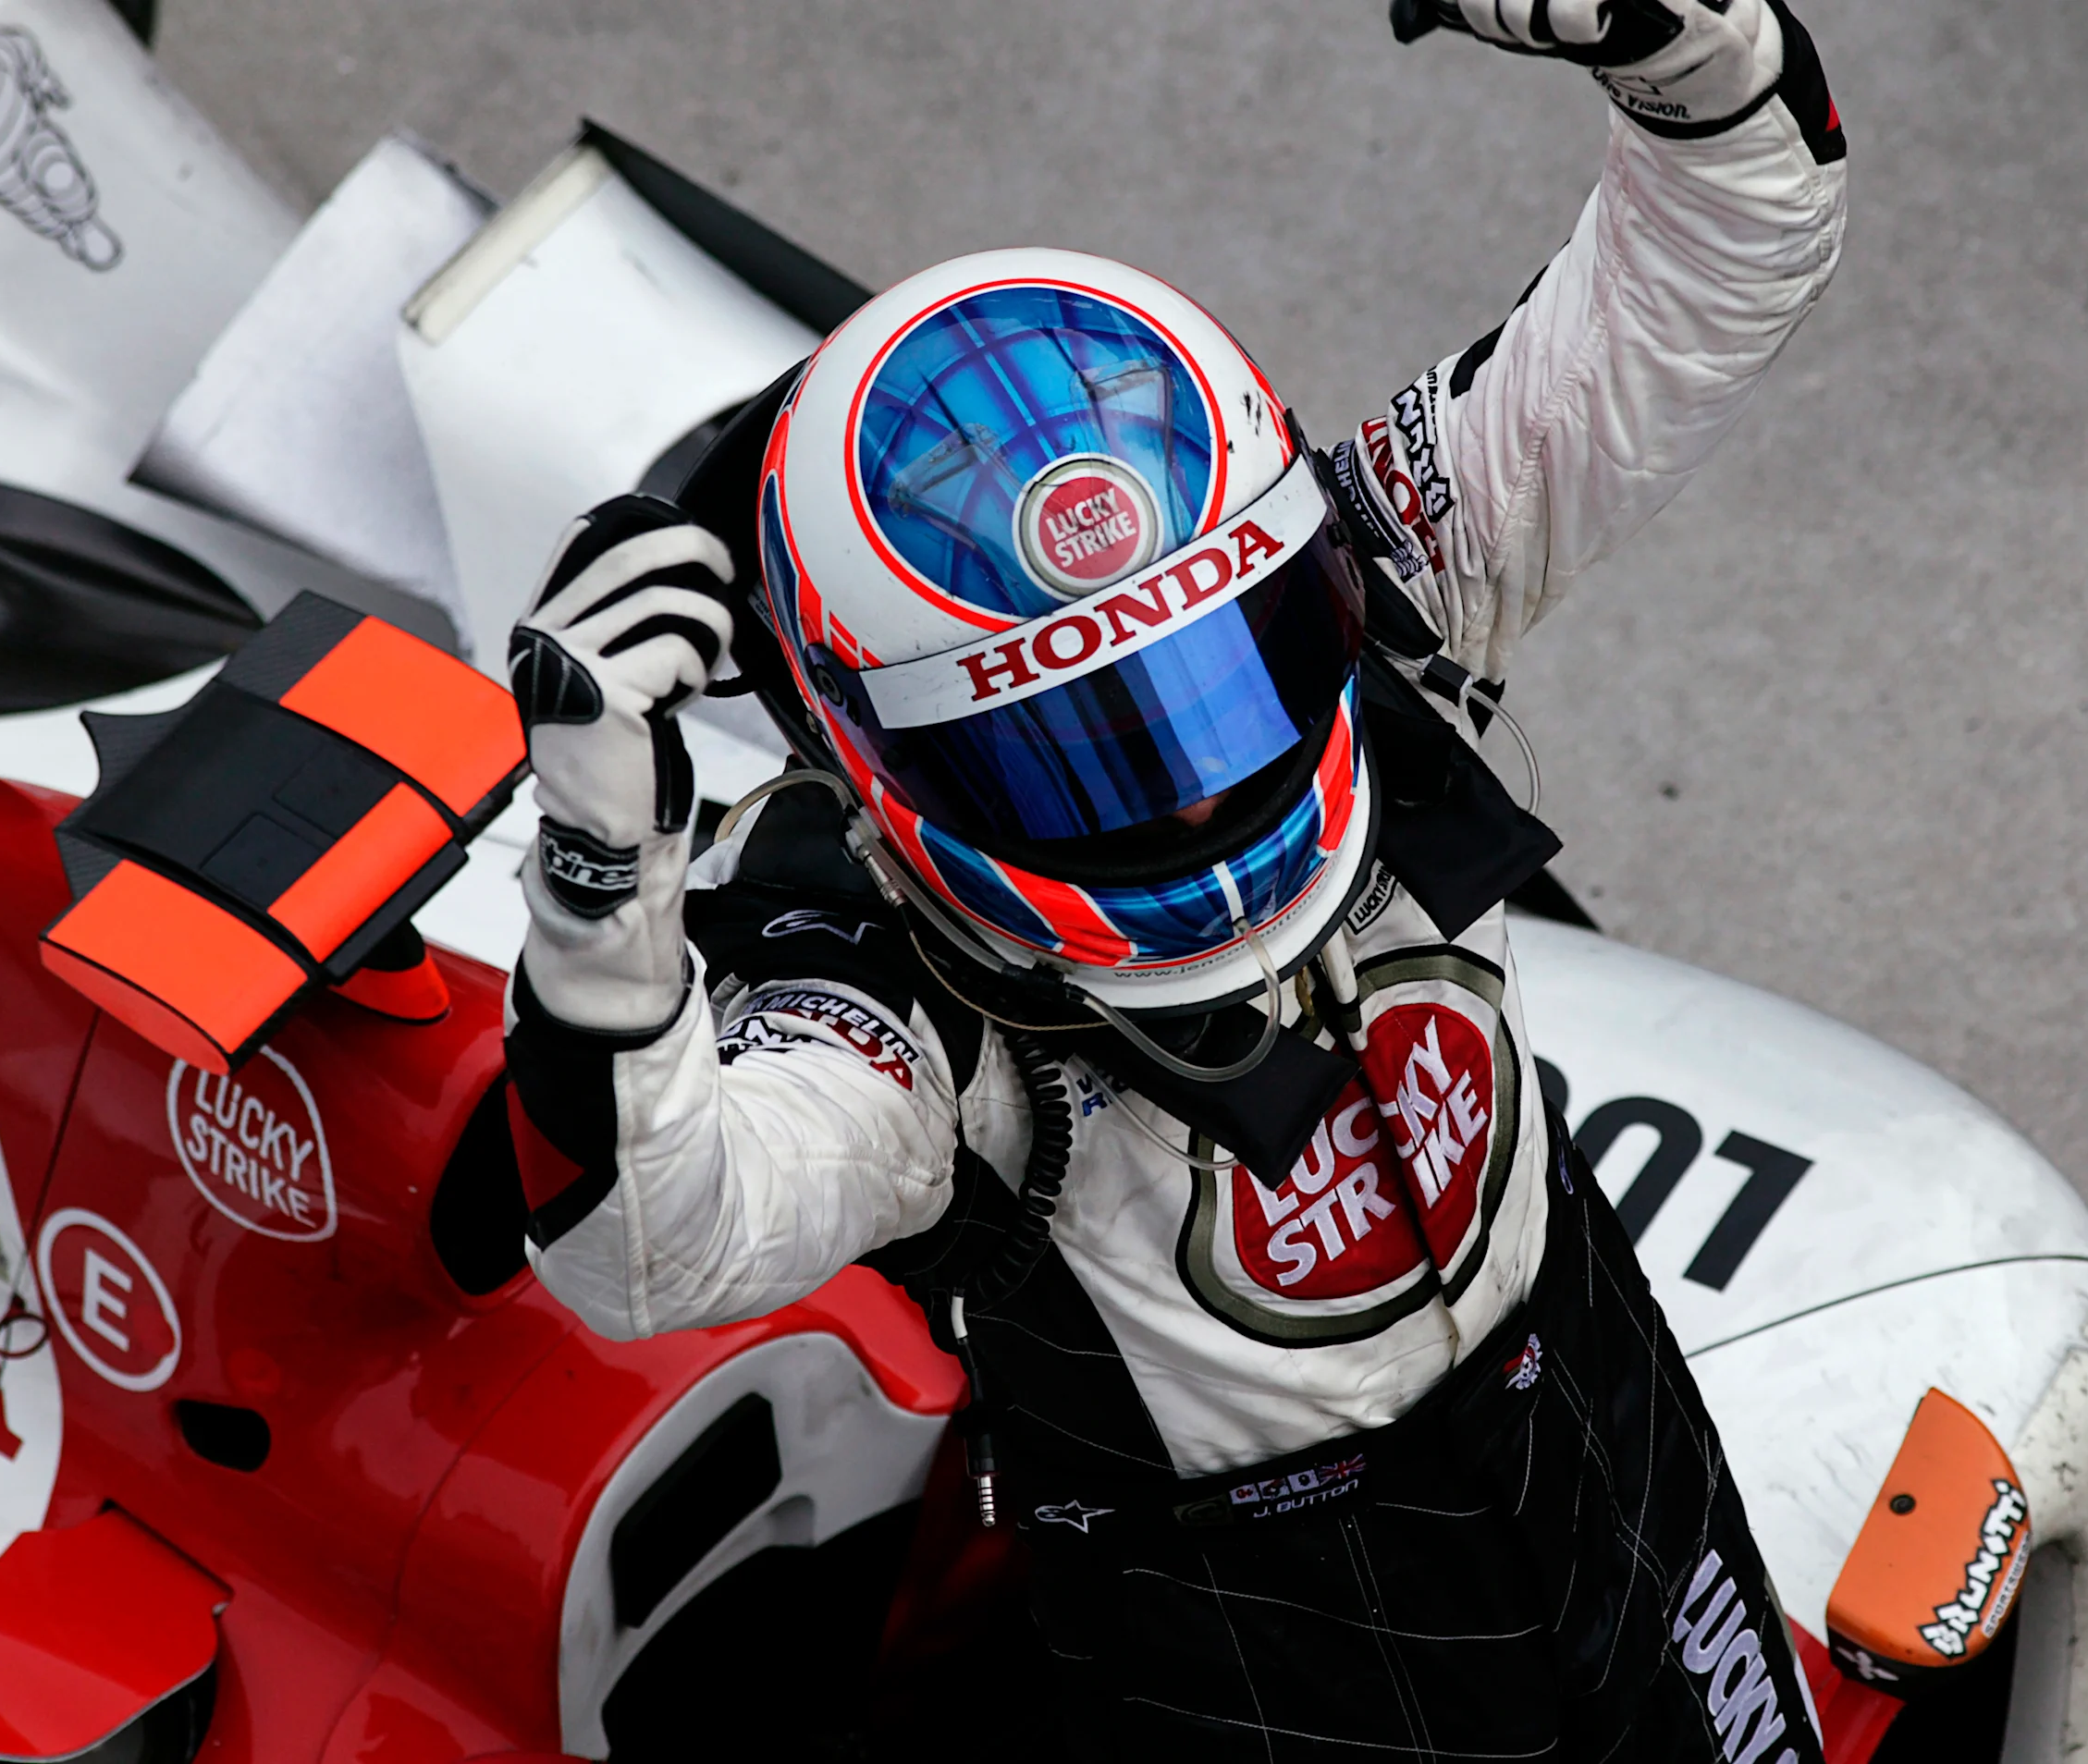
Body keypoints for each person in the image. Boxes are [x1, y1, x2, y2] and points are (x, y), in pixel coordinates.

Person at [499, 1, 1848, 1756]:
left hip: (1600, 1418)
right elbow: (643, 1249)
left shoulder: (1376, 594)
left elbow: (1723, 255)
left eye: (1209, 685)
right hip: (1272, 1655)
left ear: (1273, 550)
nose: (1181, 791)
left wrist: (1696, 52)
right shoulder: (894, 985)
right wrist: (606, 870)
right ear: (870, 746)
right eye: (1068, 753)